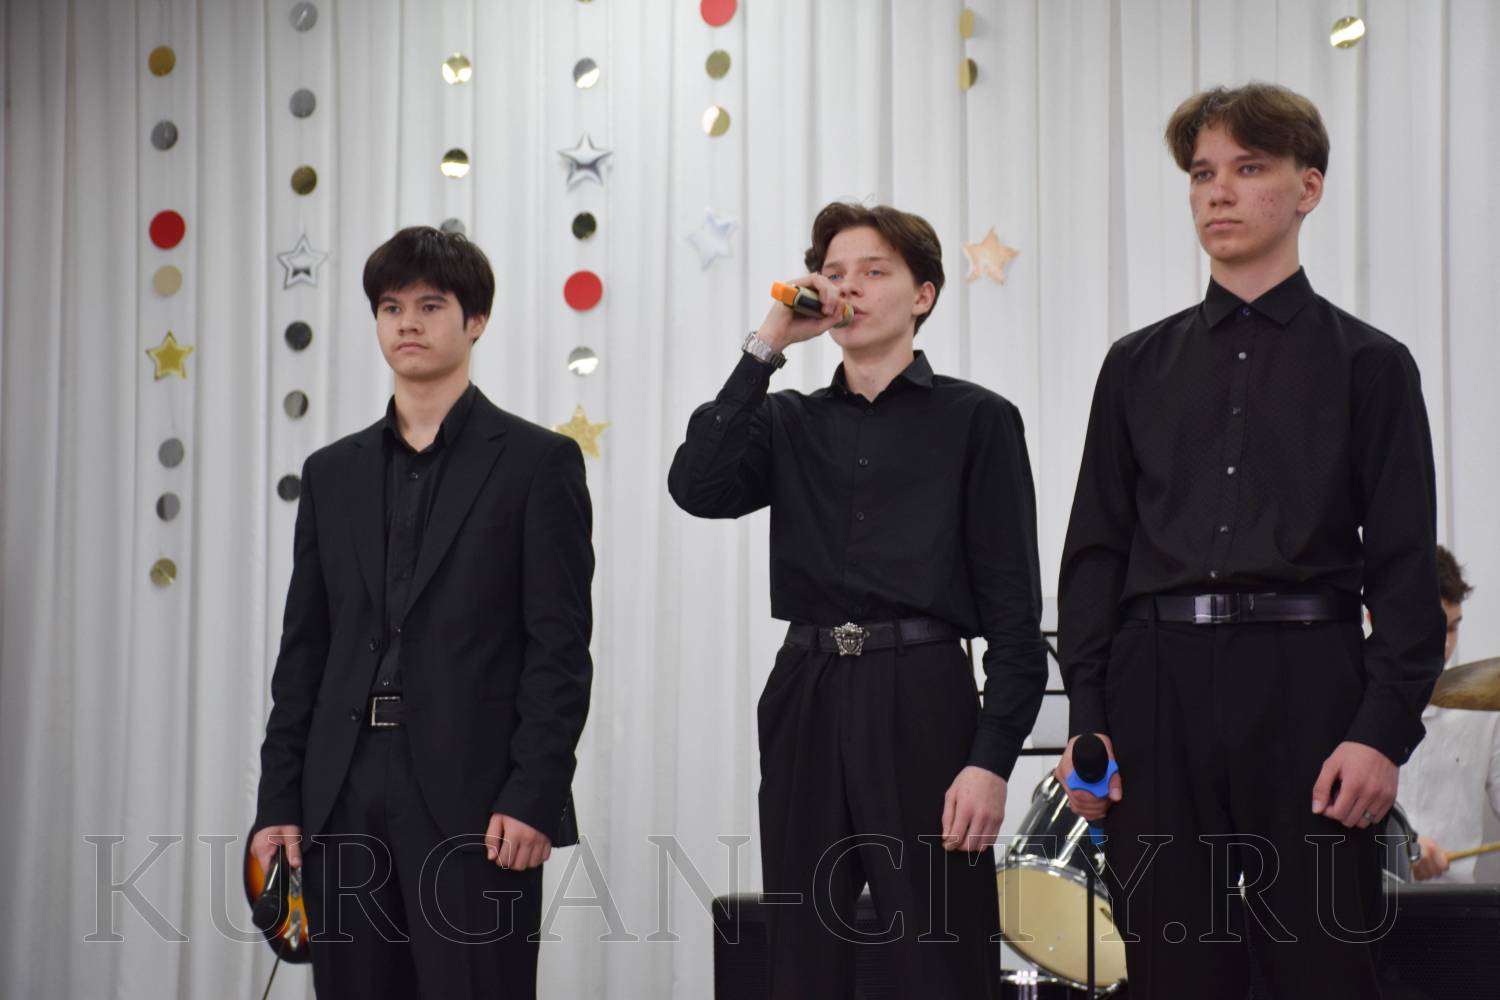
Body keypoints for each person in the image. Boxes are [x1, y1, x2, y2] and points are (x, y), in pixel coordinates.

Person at [1055, 83, 1447, 998]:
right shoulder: (1134, 365)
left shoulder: (1372, 366)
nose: (1218, 192)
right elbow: (1095, 554)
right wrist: (1089, 718)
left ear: (1308, 187)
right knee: (1170, 967)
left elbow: (1403, 569)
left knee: (1323, 965)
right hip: (1156, 689)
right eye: (1202, 174)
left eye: (1248, 168)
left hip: (1309, 686)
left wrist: (1381, 734)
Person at [668, 202, 1047, 998]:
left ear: (923, 294)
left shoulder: (977, 419)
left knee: (937, 953)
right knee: (802, 953)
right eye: (834, 274)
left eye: (875, 272)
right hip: (805, 688)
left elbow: (1015, 615)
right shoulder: (787, 420)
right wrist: (768, 344)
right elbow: (697, 487)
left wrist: (990, 760)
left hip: (924, 692)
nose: (851, 288)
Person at [249, 226, 594, 999]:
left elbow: (560, 651)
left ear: (476, 321)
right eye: (390, 306)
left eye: (431, 306)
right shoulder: (331, 474)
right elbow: (304, 654)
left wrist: (534, 794)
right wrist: (279, 802)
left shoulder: (537, 464)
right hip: (341, 793)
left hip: (478, 797)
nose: (407, 322)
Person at [1401, 546, 1499, 882]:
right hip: (1364, 902)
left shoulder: (1482, 711)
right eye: (1433, 627)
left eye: (1453, 628)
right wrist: (1395, 846)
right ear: (1376, 618)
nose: (1444, 645)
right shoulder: (1343, 704)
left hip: (1453, 902)